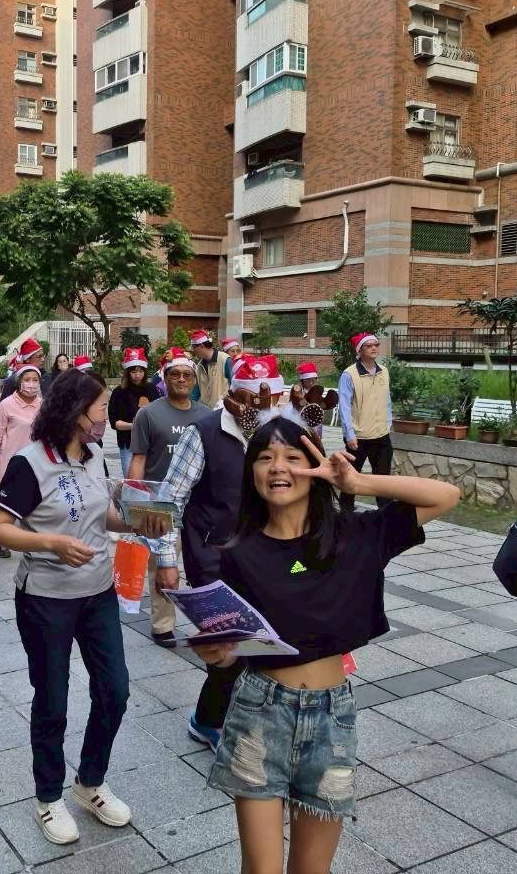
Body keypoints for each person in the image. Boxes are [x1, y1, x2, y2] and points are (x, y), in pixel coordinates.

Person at [195, 418, 459, 874]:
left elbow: (445, 496)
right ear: (251, 472)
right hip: (258, 713)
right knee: (260, 870)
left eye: (292, 458)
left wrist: (357, 481)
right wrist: (220, 654)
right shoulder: (236, 550)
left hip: (330, 717)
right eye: (264, 458)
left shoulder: (355, 535)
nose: (278, 468)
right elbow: (241, 645)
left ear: (315, 466)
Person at [0, 368, 134, 846]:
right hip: (45, 599)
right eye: (100, 410)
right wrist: (51, 543)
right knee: (52, 699)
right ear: (75, 412)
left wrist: (140, 521)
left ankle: (90, 783)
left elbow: (103, 513)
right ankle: (48, 798)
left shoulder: (93, 457)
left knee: (115, 690)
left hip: (98, 594)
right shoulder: (31, 463)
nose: (105, 419)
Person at [146, 354, 306, 750]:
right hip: (212, 556)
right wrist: (167, 562)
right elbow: (170, 500)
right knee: (228, 646)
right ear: (234, 396)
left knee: (268, 639)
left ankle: (231, 716)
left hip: (267, 554)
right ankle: (210, 721)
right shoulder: (202, 433)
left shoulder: (278, 433)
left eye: (271, 401)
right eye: (256, 401)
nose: (263, 409)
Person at [128, 346, 202, 647]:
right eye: (175, 374)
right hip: (162, 503)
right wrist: (134, 502)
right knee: (162, 565)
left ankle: (206, 621)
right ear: (165, 377)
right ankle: (163, 625)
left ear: (194, 380)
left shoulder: (206, 414)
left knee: (201, 566)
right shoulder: (148, 414)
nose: (181, 379)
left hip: (197, 504)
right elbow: (138, 459)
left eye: (187, 375)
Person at [0, 362, 43, 558]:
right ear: (19, 383)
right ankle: (1, 541)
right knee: (7, 504)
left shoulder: (43, 405)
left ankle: (30, 542)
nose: (31, 384)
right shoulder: (6, 404)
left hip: (36, 463)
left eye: (35, 380)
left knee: (35, 504)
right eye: (27, 380)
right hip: (10, 463)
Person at [337, 332, 393, 512]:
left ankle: (385, 513)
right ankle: (345, 510)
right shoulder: (349, 374)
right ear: (359, 351)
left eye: (376, 344)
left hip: (381, 434)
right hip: (358, 437)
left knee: (383, 478)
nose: (374, 348)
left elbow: (387, 400)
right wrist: (349, 434)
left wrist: (388, 422)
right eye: (369, 345)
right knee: (351, 477)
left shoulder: (384, 371)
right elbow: (344, 406)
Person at [107, 347, 157, 474]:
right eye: (134, 371)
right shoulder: (119, 392)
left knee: (150, 481)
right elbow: (114, 423)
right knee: (131, 482)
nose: (137, 375)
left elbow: (159, 416)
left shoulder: (152, 389)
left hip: (150, 444)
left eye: (141, 371)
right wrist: (134, 425)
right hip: (127, 443)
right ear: (127, 372)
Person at [190, 330, 229, 409]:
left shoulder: (225, 360)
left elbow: (235, 386)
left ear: (201, 346)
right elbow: (195, 392)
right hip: (204, 412)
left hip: (222, 411)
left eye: (194, 347)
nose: (193, 350)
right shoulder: (199, 366)